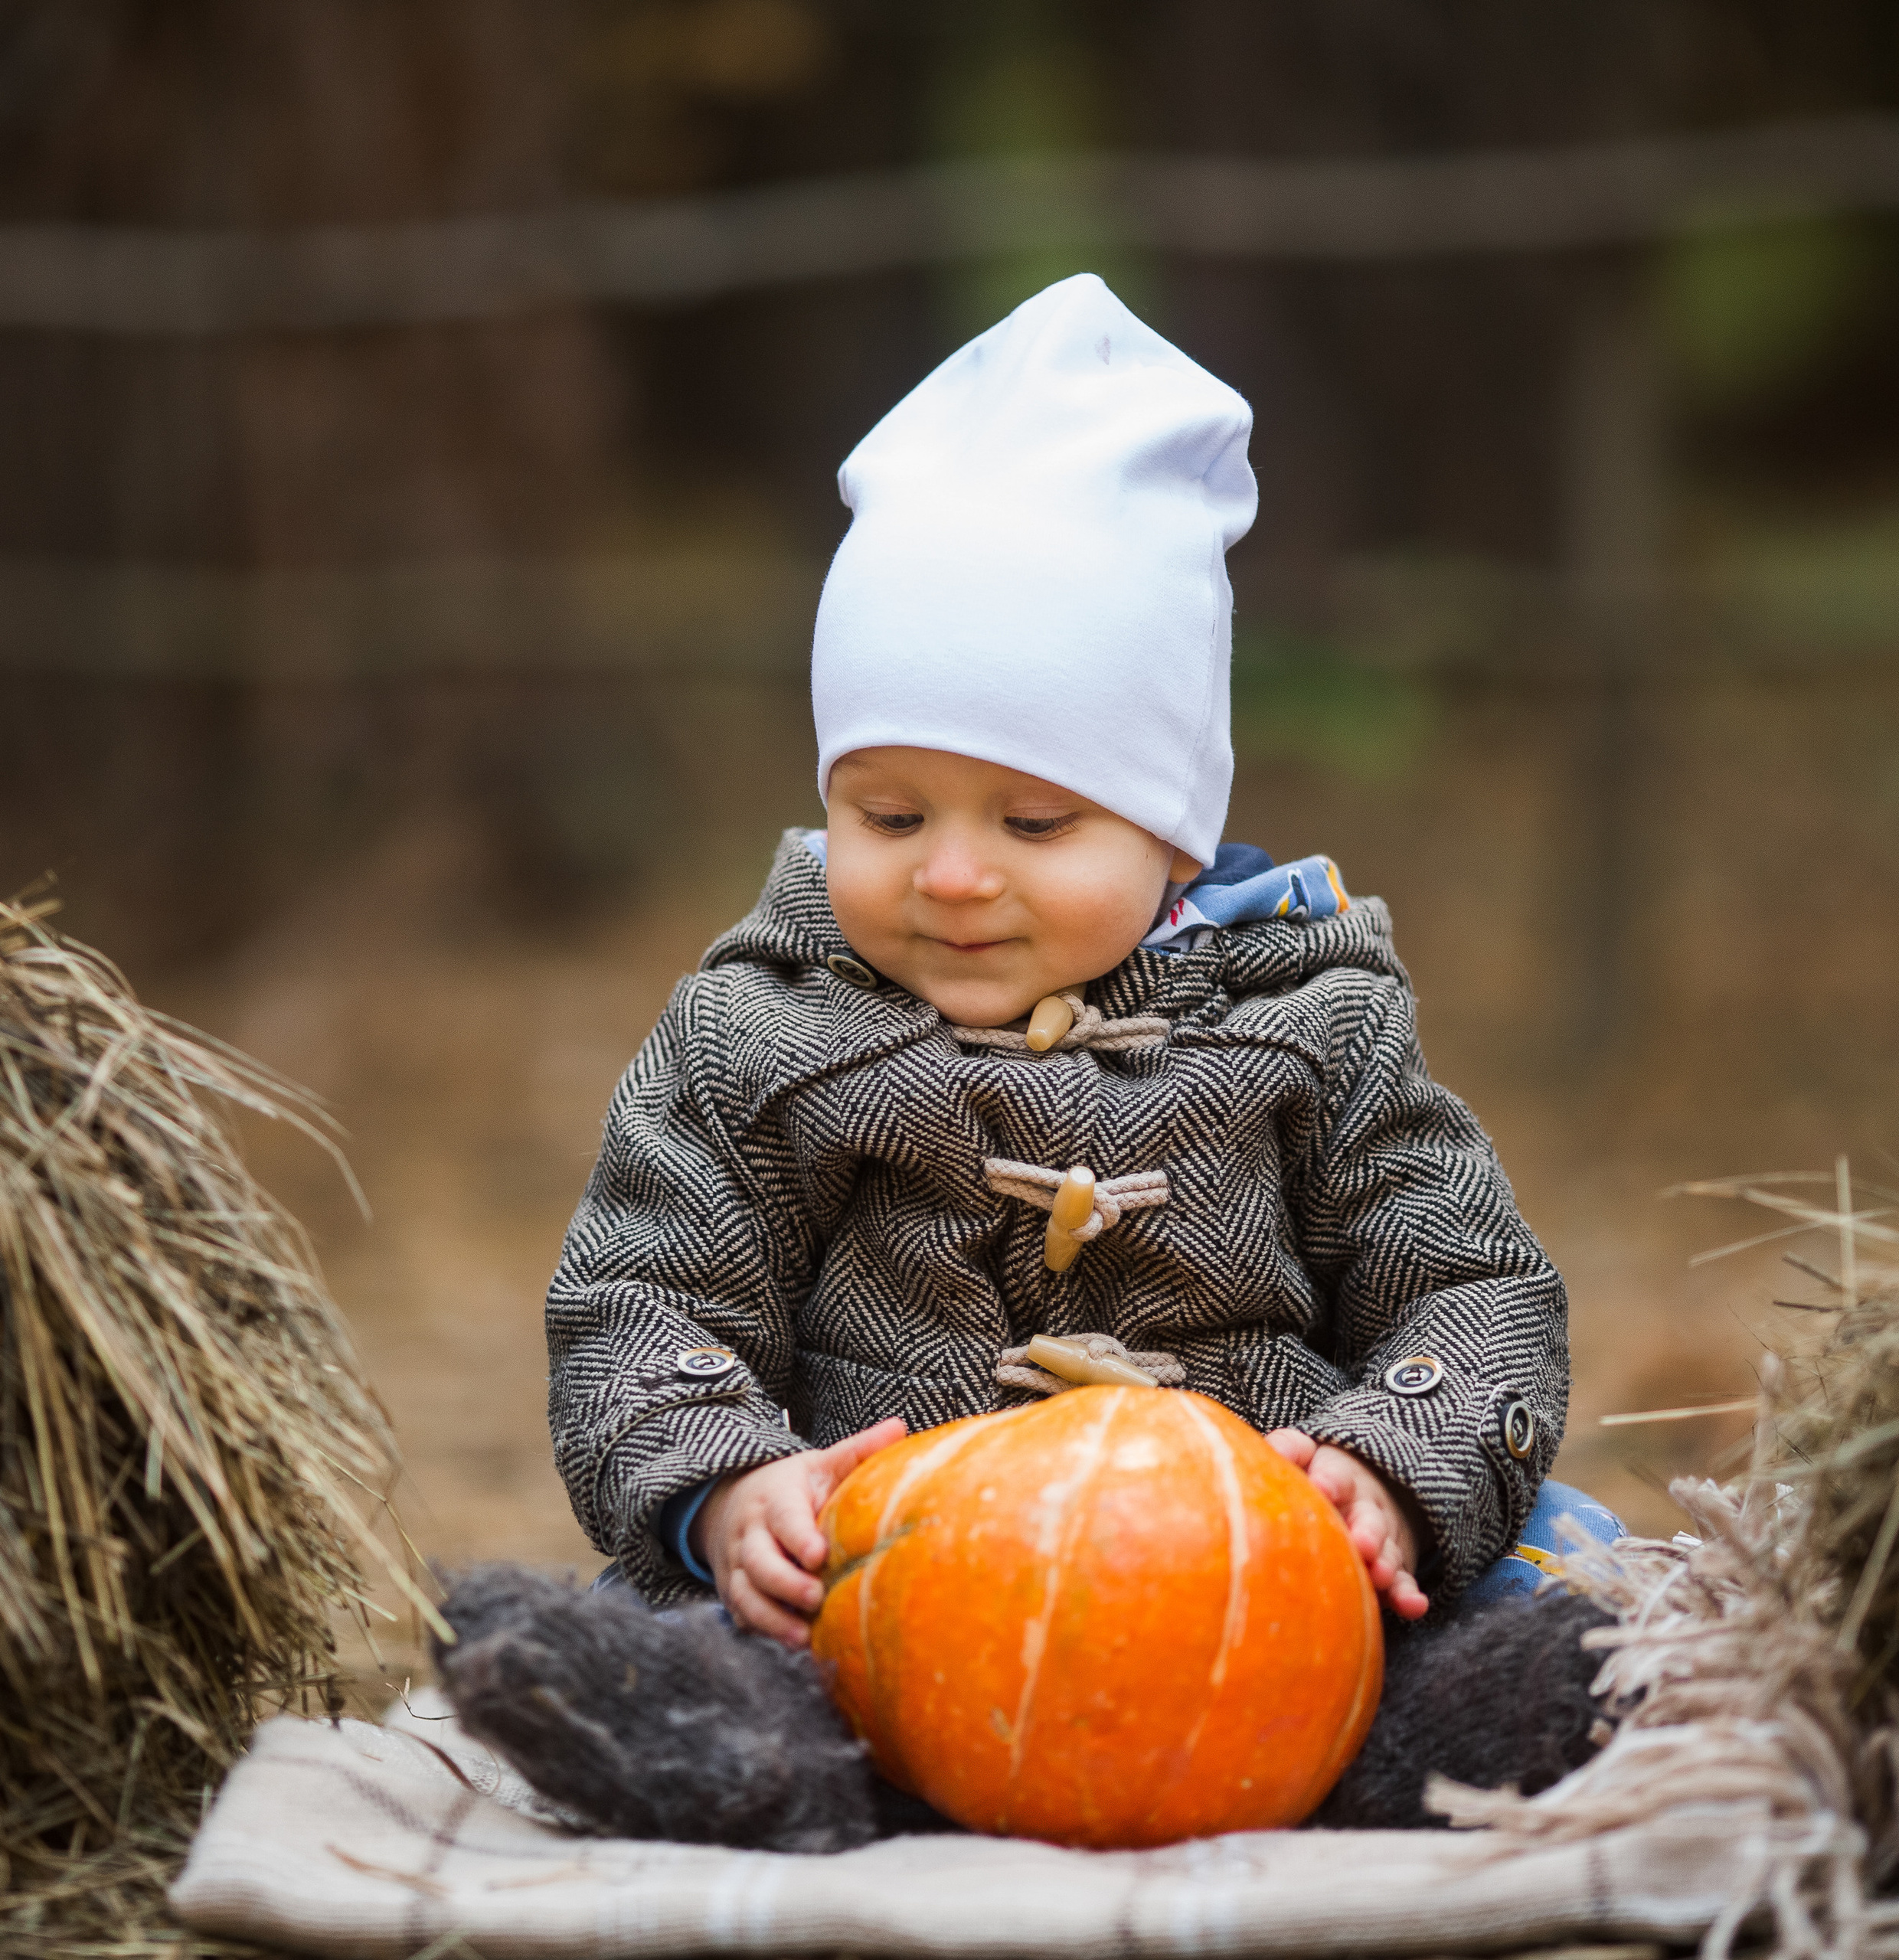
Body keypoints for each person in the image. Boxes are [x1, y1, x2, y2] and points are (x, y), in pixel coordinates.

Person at [541, 273, 1608, 1656]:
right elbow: (641, 1296)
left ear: (1176, 837)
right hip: (880, 1593)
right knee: (658, 1653)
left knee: (1561, 1583)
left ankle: (1463, 1714)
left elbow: (1471, 1286)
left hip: (1251, 1593)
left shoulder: (1310, 1021)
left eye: (1036, 822)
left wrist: (1396, 1464)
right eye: (889, 815)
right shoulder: (757, 1032)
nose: (955, 873)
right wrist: (731, 1485)